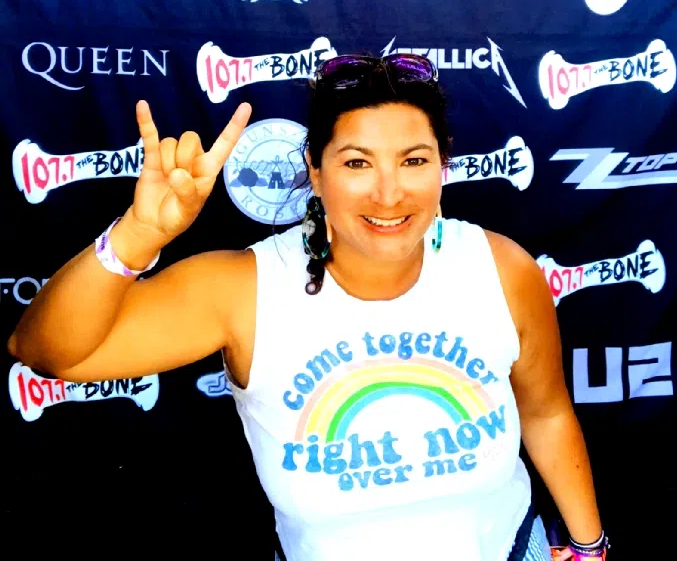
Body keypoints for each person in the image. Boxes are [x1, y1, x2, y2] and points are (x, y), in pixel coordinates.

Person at [8, 53, 608, 561]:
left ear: (443, 168)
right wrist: (138, 235)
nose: (389, 192)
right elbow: (48, 352)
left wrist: (589, 547)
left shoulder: (500, 268)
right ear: (315, 174)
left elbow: (547, 414)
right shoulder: (247, 289)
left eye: (414, 160)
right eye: (357, 163)